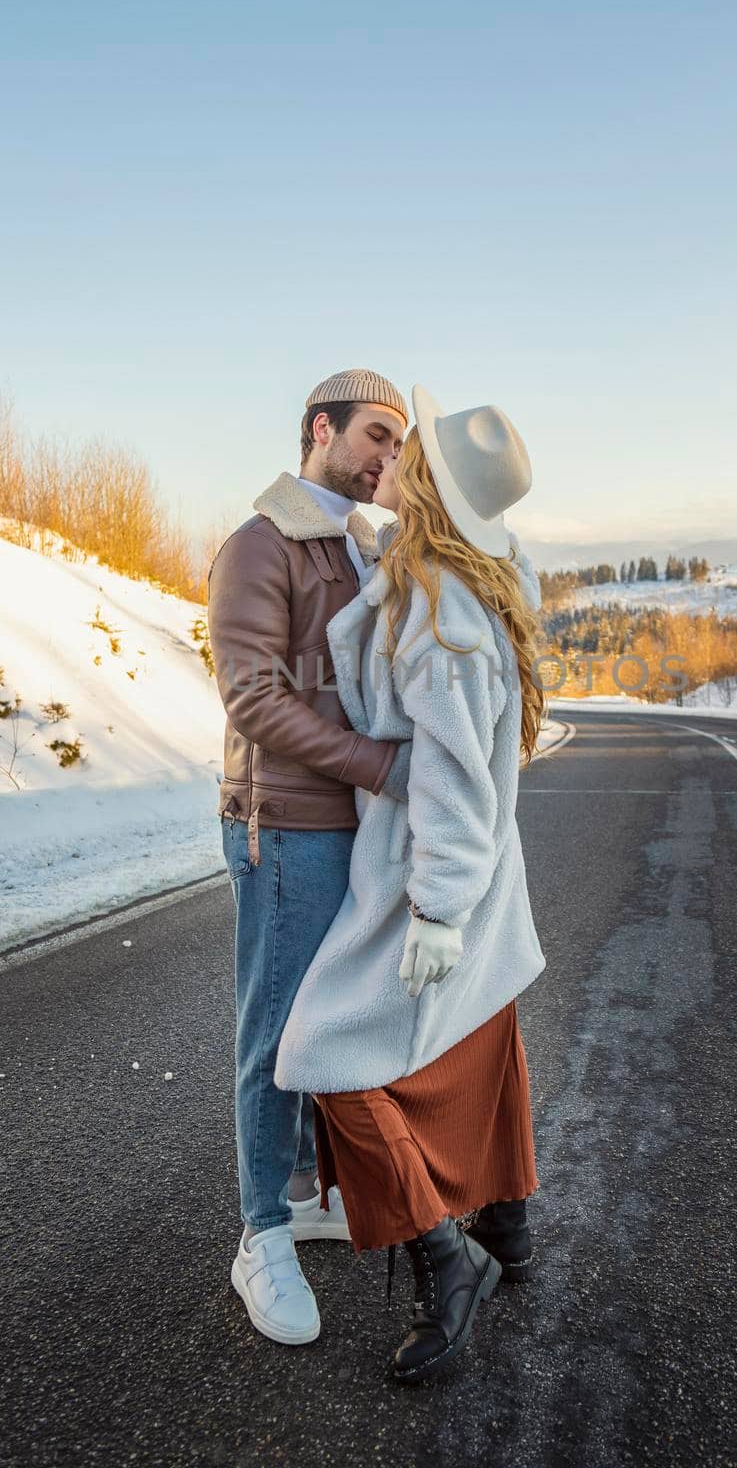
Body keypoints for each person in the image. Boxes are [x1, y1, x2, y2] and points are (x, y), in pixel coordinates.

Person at [275, 383, 547, 1382]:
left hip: (431, 864)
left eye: (409, 450)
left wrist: (434, 907)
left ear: (428, 482)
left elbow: (448, 769)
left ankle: (445, 1254)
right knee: (477, 1026)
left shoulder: (440, 612)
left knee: (328, 1049)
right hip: (467, 859)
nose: (389, 454)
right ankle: (508, 1220)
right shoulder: (458, 577)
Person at [207, 368, 413, 1346]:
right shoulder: (260, 544)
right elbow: (254, 698)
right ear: (321, 428)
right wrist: (380, 765)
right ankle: (258, 1235)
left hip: (347, 827)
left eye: (401, 443)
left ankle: (299, 1190)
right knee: (274, 1032)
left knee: (322, 1020)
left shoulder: (358, 548)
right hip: (282, 826)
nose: (389, 457)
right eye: (377, 433)